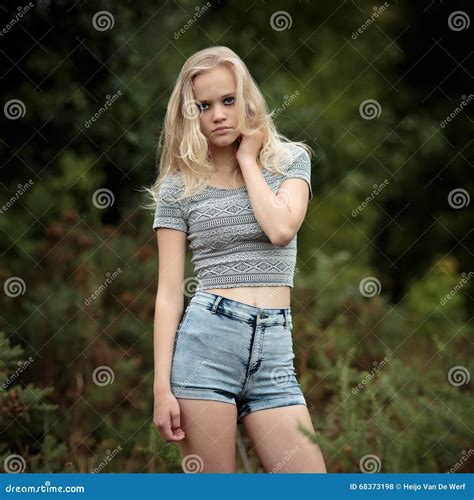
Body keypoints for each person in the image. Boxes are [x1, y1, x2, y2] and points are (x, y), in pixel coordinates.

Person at [147, 46, 327, 473]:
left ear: (246, 99)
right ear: (190, 114)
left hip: (275, 355)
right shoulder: (178, 188)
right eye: (203, 106)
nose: (218, 115)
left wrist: (248, 159)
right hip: (205, 348)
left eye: (228, 100)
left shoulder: (288, 163)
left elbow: (281, 228)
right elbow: (169, 294)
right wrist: (161, 388)